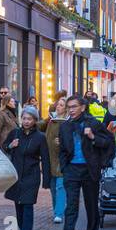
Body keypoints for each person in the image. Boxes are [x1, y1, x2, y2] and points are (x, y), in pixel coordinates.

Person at [56, 94, 113, 230]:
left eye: (74, 107)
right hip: (72, 170)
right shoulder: (65, 126)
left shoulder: (93, 123)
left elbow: (108, 141)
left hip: (89, 169)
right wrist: (64, 167)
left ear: (82, 107)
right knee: (71, 205)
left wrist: (92, 136)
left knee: (91, 204)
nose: (71, 110)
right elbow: (61, 149)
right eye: (69, 107)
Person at [2, 106, 50, 230]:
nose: (26, 121)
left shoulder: (40, 137)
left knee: (28, 205)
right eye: (24, 118)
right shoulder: (15, 133)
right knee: (19, 205)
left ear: (35, 120)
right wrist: (10, 145)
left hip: (31, 175)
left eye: (29, 119)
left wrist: (46, 180)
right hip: (16, 175)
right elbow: (4, 147)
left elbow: (45, 159)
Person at [42, 95, 68, 223]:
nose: (58, 106)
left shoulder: (68, 121)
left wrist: (63, 141)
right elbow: (39, 126)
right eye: (58, 104)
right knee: (53, 186)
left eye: (62, 105)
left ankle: (59, 213)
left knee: (60, 185)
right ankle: (57, 210)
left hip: (61, 158)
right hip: (49, 157)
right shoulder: (51, 120)